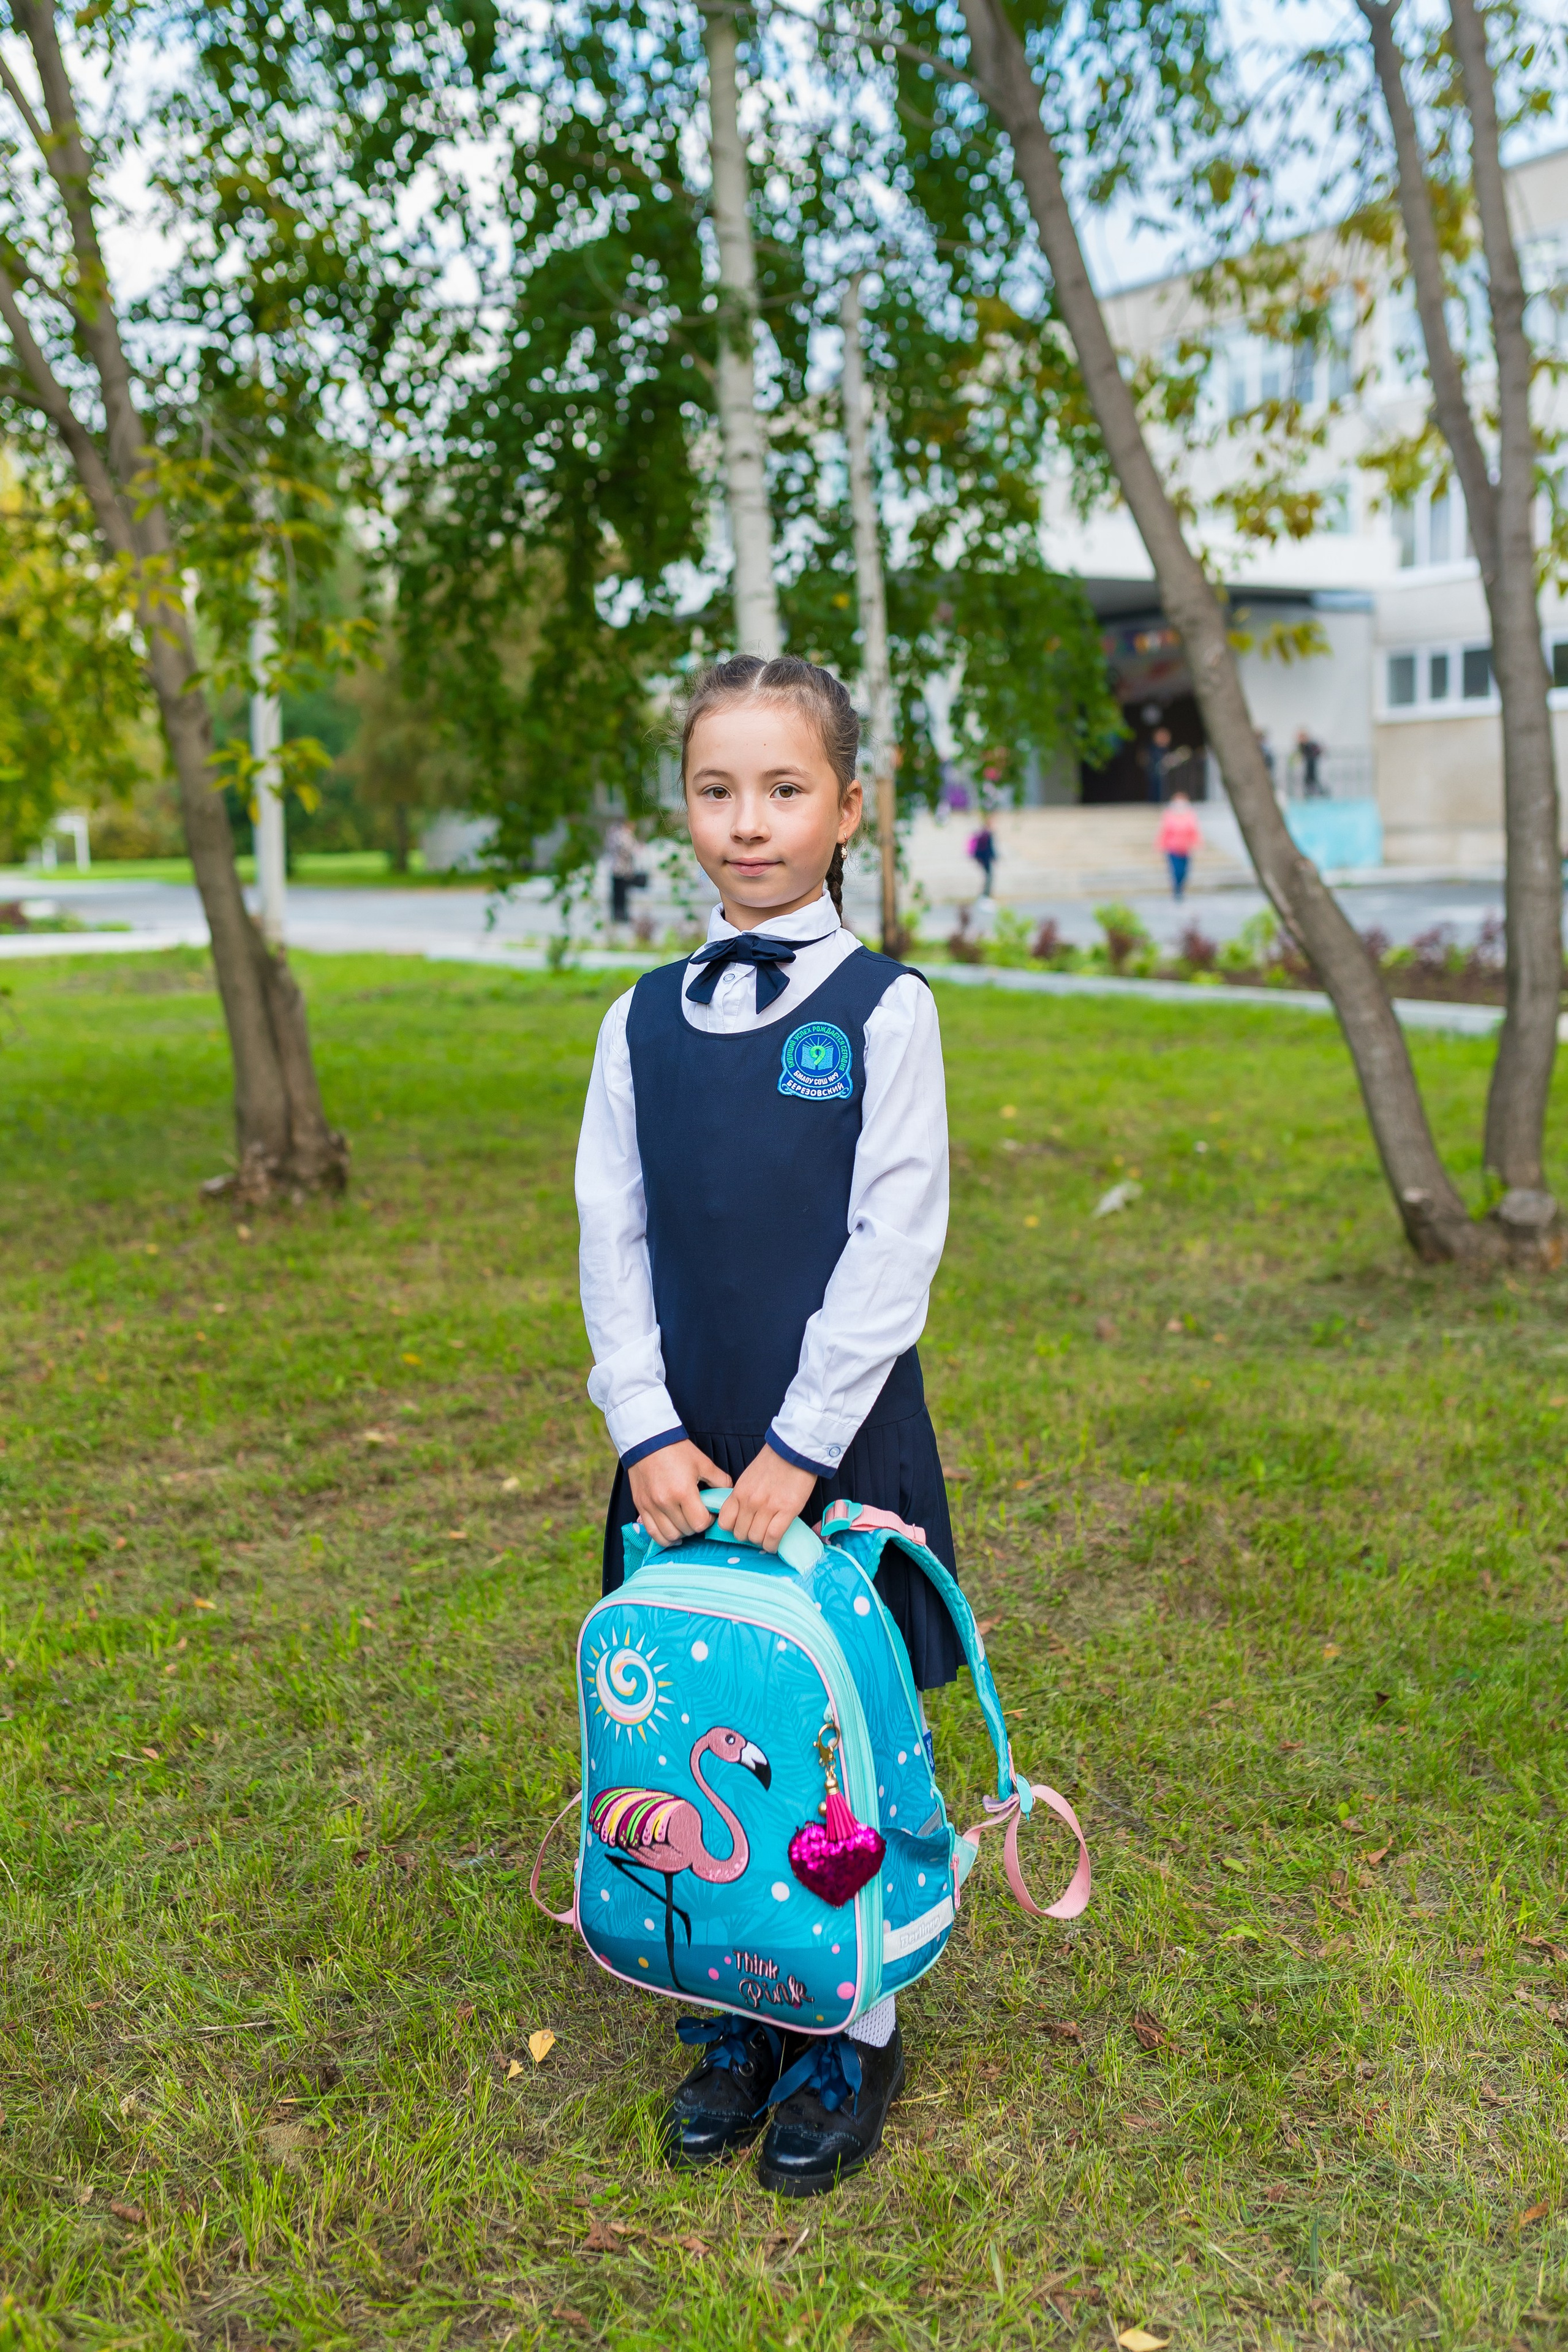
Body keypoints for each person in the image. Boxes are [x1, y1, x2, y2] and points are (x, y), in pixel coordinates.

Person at [575, 654, 957, 2196]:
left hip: (831, 1437)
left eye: (783, 789)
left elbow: (894, 1240)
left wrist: (799, 1446)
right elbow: (609, 1234)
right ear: (685, 808)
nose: (748, 823)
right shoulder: (638, 1021)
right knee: (707, 1722)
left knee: (829, 1731)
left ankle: (847, 2024)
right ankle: (741, 2005)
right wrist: (646, 1423)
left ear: (847, 807)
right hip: (682, 1438)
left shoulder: (885, 1009)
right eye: (716, 790)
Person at [1156, 790, 1200, 899]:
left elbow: (1194, 831)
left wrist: (1196, 843)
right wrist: (1161, 845)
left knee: (1184, 871)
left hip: (1186, 848)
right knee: (1176, 870)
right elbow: (1164, 831)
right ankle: (1177, 889)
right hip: (1173, 848)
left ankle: (1180, 888)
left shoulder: (1190, 814)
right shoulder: (1169, 815)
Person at [606, 818, 646, 927]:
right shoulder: (624, 834)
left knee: (618, 894)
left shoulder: (613, 833)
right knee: (621, 894)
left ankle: (618, 914)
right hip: (623, 869)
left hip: (616, 868)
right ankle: (620, 915)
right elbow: (630, 849)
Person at [967, 822, 996, 895]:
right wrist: (994, 857)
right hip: (986, 859)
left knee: (987, 875)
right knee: (989, 876)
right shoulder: (988, 836)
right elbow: (990, 848)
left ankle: (985, 892)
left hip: (982, 858)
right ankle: (986, 892)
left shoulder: (982, 835)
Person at [1297, 729, 1324, 797]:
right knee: (1308, 782)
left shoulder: (1311, 745)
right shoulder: (1301, 746)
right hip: (1307, 768)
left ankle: (1318, 793)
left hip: (1312, 766)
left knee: (1313, 781)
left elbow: (1318, 752)